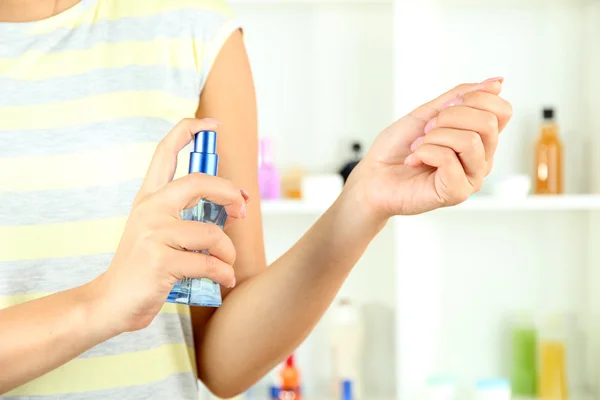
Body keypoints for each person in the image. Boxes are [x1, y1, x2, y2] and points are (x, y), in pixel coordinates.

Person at [0, 0, 513, 398]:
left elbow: (223, 364)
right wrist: (101, 304)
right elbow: (111, 301)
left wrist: (362, 203)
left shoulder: (194, 28)